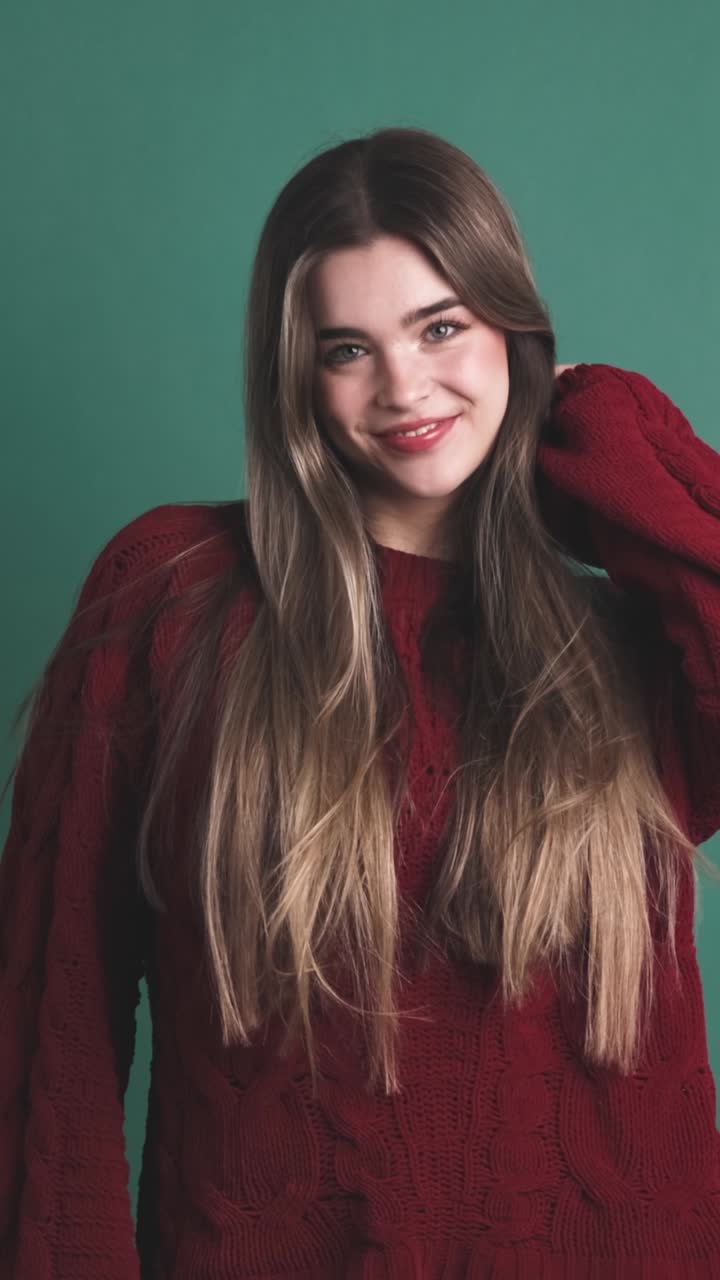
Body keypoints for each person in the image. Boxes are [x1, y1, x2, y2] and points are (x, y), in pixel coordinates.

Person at [1, 125, 720, 1279]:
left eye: (442, 327)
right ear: (296, 377)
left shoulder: (622, 645)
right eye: (347, 347)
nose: (404, 386)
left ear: (512, 331)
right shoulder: (171, 602)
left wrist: (610, 432)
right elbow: (53, 1027)